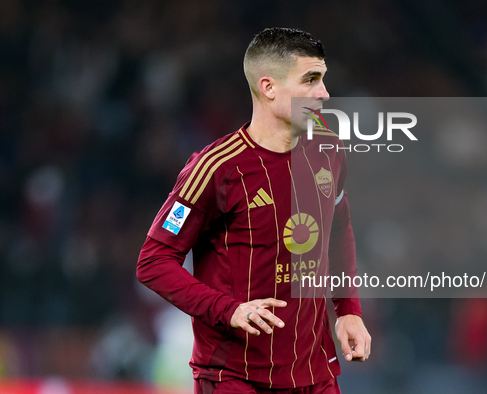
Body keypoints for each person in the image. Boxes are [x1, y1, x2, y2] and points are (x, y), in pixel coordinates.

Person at [137, 27, 371, 394]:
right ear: (269, 87)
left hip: (315, 373)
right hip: (236, 376)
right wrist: (228, 309)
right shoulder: (216, 168)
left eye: (323, 79)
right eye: (310, 80)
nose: (324, 93)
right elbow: (154, 261)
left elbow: (338, 230)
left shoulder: (329, 149)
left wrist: (348, 310)